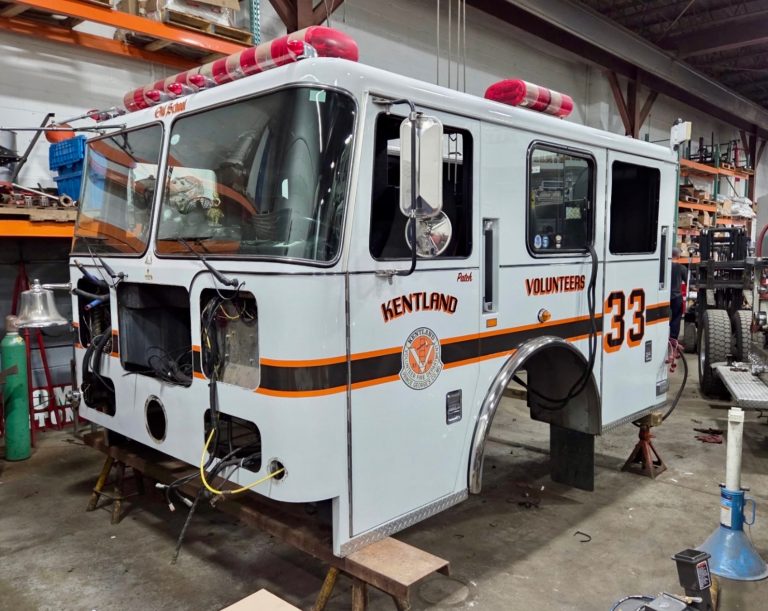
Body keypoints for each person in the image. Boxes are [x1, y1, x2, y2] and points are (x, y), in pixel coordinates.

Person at [670, 247, 686, 341]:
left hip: (664, 297)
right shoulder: (682, 268)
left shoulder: (664, 266)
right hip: (676, 297)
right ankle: (673, 340)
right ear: (678, 255)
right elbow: (691, 283)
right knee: (676, 318)